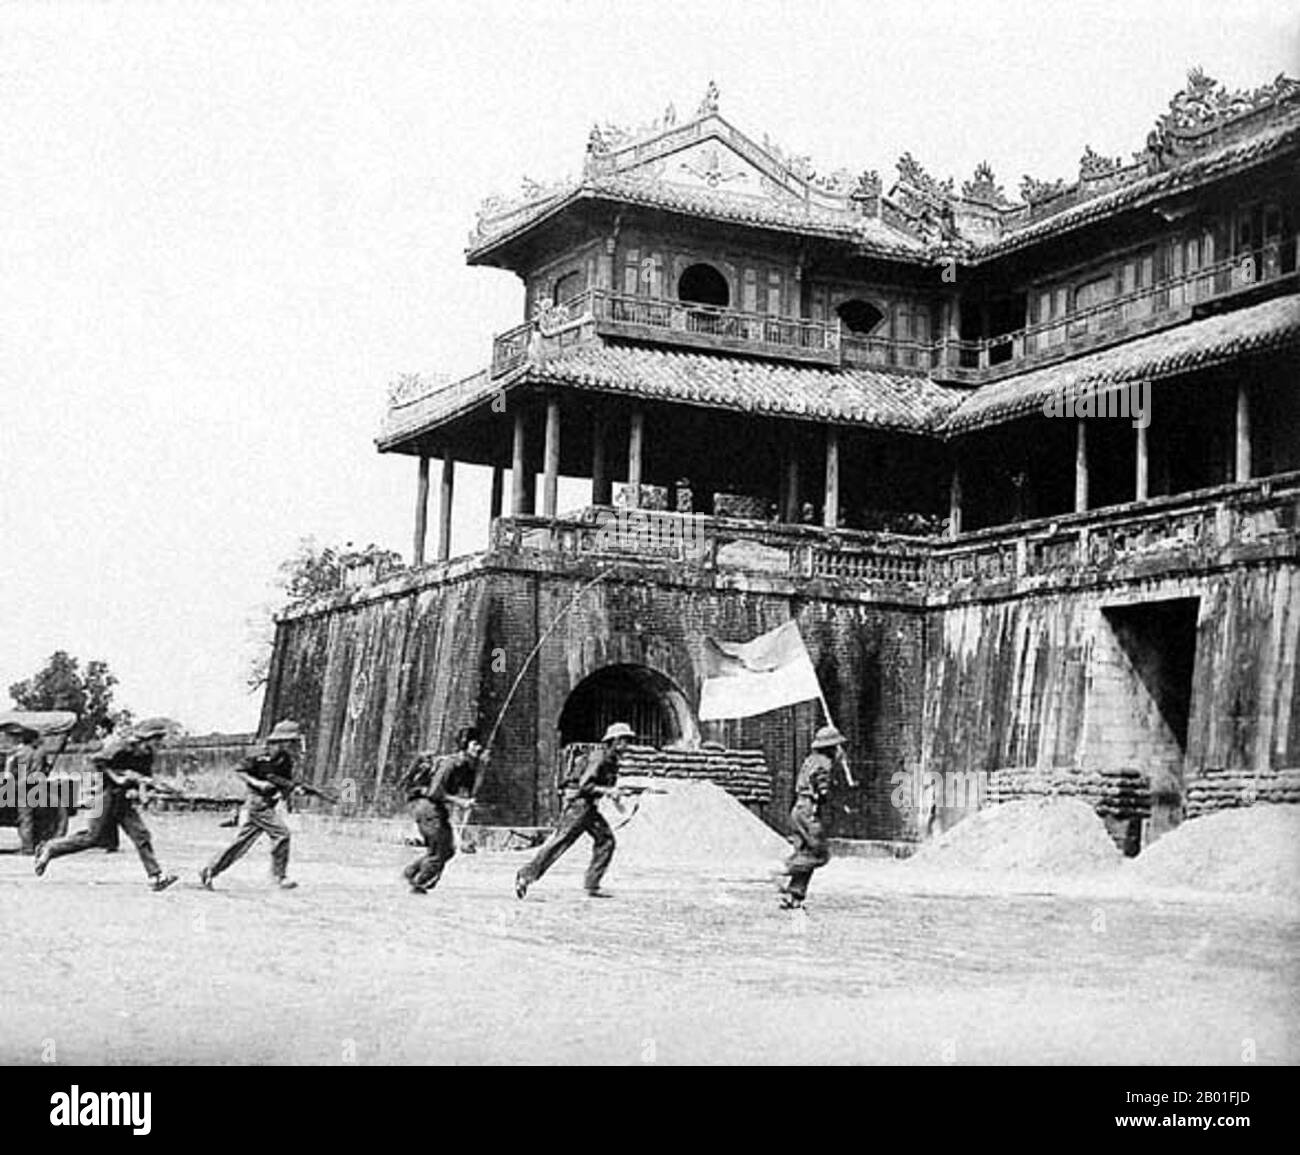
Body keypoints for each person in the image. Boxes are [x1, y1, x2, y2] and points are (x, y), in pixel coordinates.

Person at [34, 718, 179, 892]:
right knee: (92, 837)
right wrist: (118, 777)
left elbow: (141, 780)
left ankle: (156, 876)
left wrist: (147, 789)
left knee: (141, 835)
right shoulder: (123, 746)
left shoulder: (147, 756)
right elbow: (96, 761)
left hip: (120, 798)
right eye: (157, 739)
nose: (159, 743)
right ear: (146, 738)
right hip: (102, 793)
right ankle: (50, 848)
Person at [514, 722, 633, 900]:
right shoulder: (599, 757)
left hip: (588, 807)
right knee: (561, 842)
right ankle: (525, 875)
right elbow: (585, 785)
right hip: (579, 806)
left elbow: (603, 788)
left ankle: (592, 884)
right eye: (624, 740)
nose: (627, 745)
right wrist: (609, 791)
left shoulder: (611, 760)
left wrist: (618, 799)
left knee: (606, 841)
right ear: (614, 741)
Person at [198, 719, 306, 891]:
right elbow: (239, 770)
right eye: (291, 741)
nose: (293, 745)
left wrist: (291, 791)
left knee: (241, 843)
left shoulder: (285, 759)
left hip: (269, 803)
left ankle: (210, 870)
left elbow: (285, 781)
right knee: (282, 834)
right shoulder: (259, 753)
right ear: (282, 740)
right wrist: (257, 783)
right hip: (257, 803)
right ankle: (279, 876)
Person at [401, 725, 487, 895]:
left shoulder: (466, 766)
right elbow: (434, 792)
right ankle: (419, 884)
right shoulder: (450, 764)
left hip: (435, 809)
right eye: (475, 743)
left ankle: (411, 872)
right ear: (465, 744)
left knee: (446, 850)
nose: (479, 747)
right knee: (440, 850)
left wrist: (482, 769)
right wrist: (460, 802)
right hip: (427, 808)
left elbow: (471, 789)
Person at [779, 724, 845, 910]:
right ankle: (785, 868)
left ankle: (794, 896)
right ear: (831, 748)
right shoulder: (824, 764)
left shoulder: (810, 760)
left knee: (806, 853)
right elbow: (822, 791)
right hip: (810, 810)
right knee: (819, 853)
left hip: (799, 808)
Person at [2, 720, 49, 855]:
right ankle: (31, 845)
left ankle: (27, 848)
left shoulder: (18, 753)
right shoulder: (34, 752)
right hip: (33, 784)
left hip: (22, 786)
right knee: (28, 817)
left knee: (25, 818)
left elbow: (9, 771)